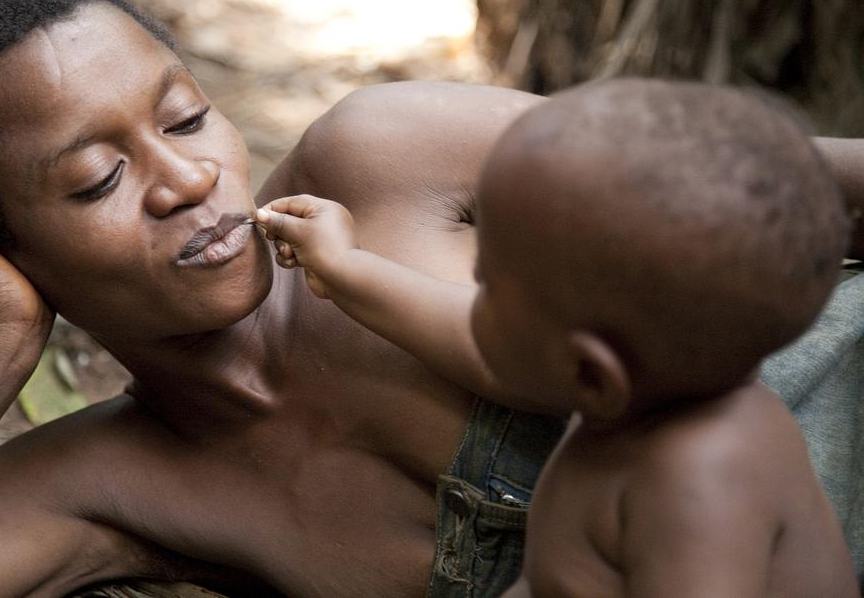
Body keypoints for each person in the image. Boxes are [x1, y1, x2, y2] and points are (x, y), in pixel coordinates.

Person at [0, 0, 862, 596]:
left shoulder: (380, 159)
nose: (189, 180)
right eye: (98, 179)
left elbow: (802, 181)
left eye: (186, 118)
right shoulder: (95, 485)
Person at [253, 78, 859, 596]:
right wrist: (343, 267)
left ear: (590, 374)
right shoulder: (627, 403)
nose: (465, 301)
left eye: (485, 289)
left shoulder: (701, 483)